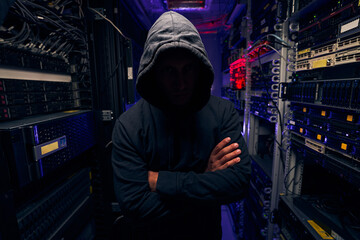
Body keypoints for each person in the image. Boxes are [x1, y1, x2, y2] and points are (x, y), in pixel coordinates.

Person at [111, 11, 251, 240]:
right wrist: (206, 179)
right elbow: (134, 205)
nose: (181, 83)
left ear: (200, 69)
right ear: (154, 72)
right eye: (169, 71)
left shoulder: (222, 112)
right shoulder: (129, 126)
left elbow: (238, 183)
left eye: (188, 69)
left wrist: (161, 181)